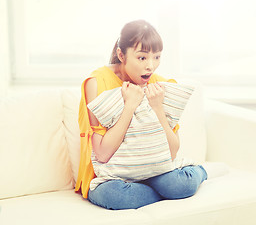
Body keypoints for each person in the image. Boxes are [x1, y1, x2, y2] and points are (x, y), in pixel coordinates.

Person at [75, 20, 208, 210]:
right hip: (110, 177)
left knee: (179, 185)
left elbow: (172, 152)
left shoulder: (161, 85)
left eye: (157, 57)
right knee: (117, 197)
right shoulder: (97, 83)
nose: (151, 66)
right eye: (142, 58)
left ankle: (197, 173)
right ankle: (163, 192)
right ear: (121, 55)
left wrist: (158, 109)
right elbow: (102, 154)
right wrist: (130, 106)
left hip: (154, 170)